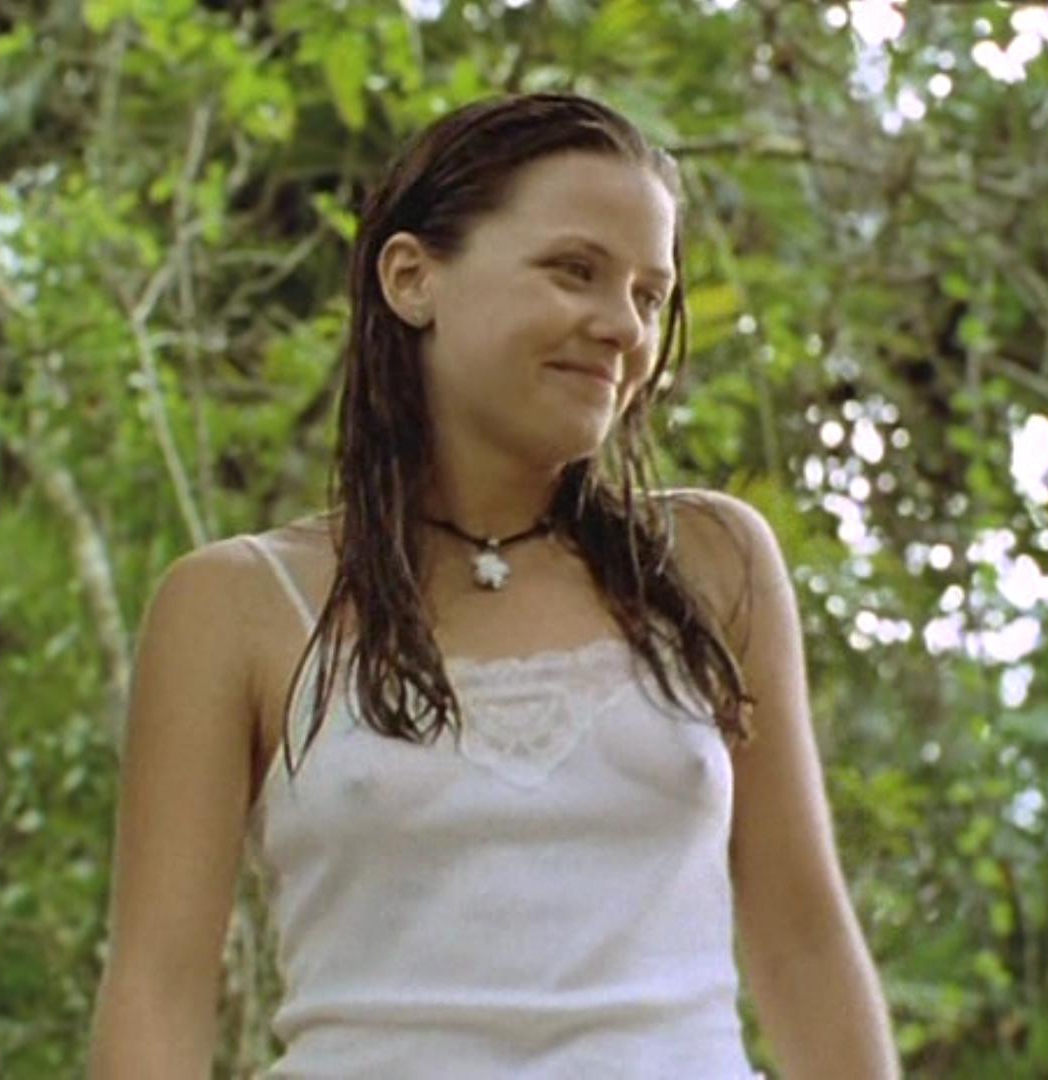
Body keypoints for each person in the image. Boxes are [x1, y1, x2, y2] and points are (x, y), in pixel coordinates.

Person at [88, 92, 898, 1078]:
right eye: (575, 271)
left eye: (650, 295)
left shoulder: (710, 562)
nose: (622, 326)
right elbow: (159, 988)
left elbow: (804, 941)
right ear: (412, 277)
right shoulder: (235, 605)